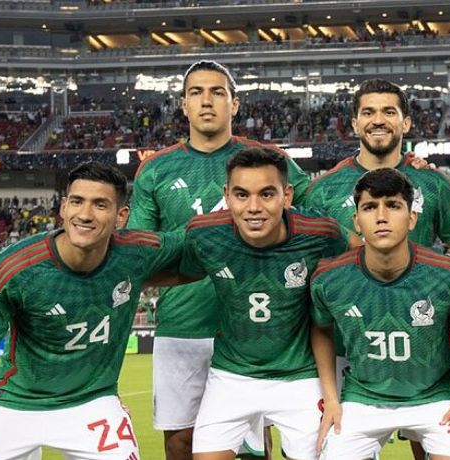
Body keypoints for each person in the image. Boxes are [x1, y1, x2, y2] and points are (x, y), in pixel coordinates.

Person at [129, 59, 313, 460]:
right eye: (196, 93)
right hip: (183, 325)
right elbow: (142, 250)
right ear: (183, 104)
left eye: (217, 92)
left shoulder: (267, 160)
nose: (207, 101)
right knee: (180, 440)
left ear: (235, 103)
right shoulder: (155, 169)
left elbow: (318, 215)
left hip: (258, 326)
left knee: (254, 443)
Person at [0, 162, 187, 460]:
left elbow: (201, 248)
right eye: (77, 201)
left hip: (92, 401)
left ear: (121, 216)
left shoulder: (137, 253)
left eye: (100, 204)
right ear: (63, 207)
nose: (85, 214)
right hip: (14, 402)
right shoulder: (13, 268)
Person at [172, 148, 348, 460]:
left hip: (299, 376)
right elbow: (160, 268)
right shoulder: (204, 234)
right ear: (227, 196)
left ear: (287, 195)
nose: (253, 207)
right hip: (230, 376)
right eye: (242, 195)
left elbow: (365, 260)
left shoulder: (320, 232)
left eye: (266, 194)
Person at [310, 169, 450, 460]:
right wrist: (331, 400)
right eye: (370, 207)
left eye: (393, 205)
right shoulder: (328, 278)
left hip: (437, 397)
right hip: (363, 399)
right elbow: (321, 329)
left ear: (412, 218)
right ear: (356, 221)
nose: (381, 216)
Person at [303, 79, 450, 263]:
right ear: (355, 125)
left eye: (389, 112)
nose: (378, 120)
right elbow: (308, 260)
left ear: (406, 124)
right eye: (368, 113)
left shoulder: (432, 183)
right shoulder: (323, 190)